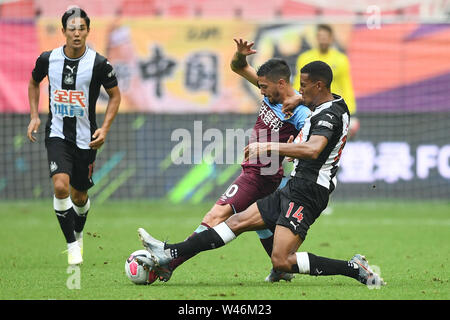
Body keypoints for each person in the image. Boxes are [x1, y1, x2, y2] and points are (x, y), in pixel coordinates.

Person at [137, 61, 385, 287]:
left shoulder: (328, 115)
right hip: (295, 185)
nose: (299, 91)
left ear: (319, 86)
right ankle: (170, 252)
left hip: (309, 192)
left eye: (304, 86)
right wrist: (298, 101)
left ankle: (353, 269)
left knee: (281, 260)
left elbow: (313, 149)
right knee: (235, 222)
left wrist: (268, 146)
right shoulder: (325, 103)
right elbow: (307, 113)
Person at [148, 38, 310, 283]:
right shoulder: (272, 92)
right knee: (261, 225)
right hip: (262, 174)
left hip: (259, 176)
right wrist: (240, 55)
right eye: (260, 86)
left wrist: (288, 146)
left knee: (215, 217)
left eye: (264, 87)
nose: (261, 91)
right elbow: (237, 67)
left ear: (281, 82)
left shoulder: (299, 112)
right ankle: (281, 269)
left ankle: (171, 261)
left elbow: (307, 141)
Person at [27, 7, 121, 265]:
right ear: (64, 32)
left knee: (79, 197)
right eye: (72, 29)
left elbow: (115, 96)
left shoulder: (99, 64)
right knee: (60, 186)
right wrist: (35, 115)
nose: (77, 33)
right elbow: (34, 82)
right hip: (56, 133)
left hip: (86, 138)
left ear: (88, 31)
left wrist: (105, 127)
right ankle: (71, 246)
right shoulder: (48, 59)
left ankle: (78, 232)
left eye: (81, 29)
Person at [290, 24, 359, 138]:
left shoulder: (341, 59)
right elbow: (299, 84)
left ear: (331, 38)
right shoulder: (305, 58)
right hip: (310, 110)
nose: (323, 40)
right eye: (320, 37)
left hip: (334, 110)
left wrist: (352, 112)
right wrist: (296, 105)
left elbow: (346, 85)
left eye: (326, 37)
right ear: (316, 38)